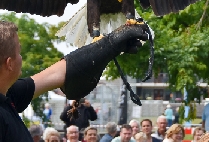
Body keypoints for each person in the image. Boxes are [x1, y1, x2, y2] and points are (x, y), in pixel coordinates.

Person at [0, 21, 148, 142]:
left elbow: (57, 73)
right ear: (9, 63)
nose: (21, 57)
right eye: (19, 52)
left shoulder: (9, 95)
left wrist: (109, 45)